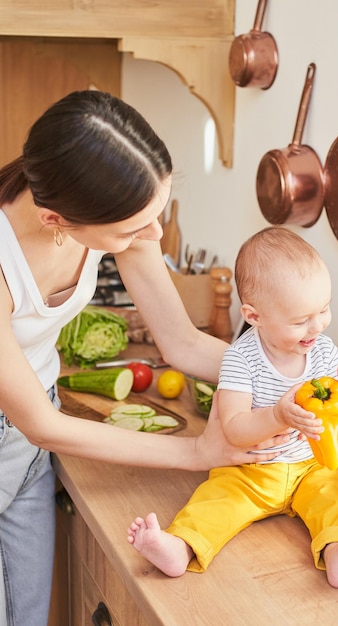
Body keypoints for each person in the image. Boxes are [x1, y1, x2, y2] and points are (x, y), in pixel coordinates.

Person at [0, 91, 283, 626]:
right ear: (56, 219)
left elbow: (182, 342)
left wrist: (287, 384)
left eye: (156, 214)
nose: (151, 236)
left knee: (26, 614)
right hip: (30, 426)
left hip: (36, 429)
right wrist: (198, 452)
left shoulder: (115, 205)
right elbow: (42, 426)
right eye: (134, 230)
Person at [127, 226, 338, 588]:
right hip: (250, 471)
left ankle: (337, 555)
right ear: (254, 316)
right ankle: (180, 546)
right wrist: (276, 415)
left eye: (324, 309)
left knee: (332, 502)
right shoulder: (241, 360)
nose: (317, 325)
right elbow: (234, 428)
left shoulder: (323, 352)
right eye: (301, 319)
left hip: (309, 469)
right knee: (213, 502)